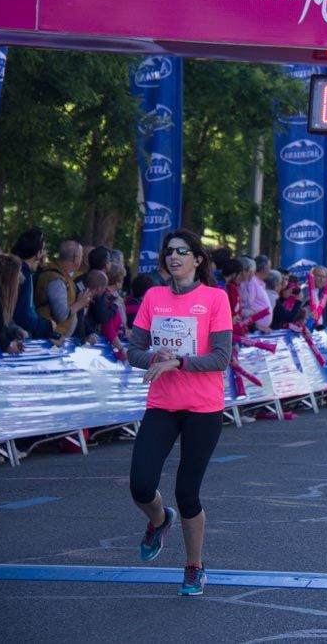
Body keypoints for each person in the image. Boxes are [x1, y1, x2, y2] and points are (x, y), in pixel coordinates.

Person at [127, 229, 232, 597]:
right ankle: (159, 520)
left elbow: (221, 356)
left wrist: (180, 362)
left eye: (182, 252)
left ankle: (194, 566)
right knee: (140, 484)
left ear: (197, 259)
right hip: (162, 405)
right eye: (169, 252)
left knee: (187, 491)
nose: (173, 257)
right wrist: (156, 358)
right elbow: (134, 351)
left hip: (203, 408)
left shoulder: (215, 299)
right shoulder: (154, 297)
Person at [35, 240, 92, 338]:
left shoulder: (63, 275)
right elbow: (61, 315)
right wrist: (79, 304)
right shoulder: (56, 279)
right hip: (50, 340)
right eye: (81, 257)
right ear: (76, 259)